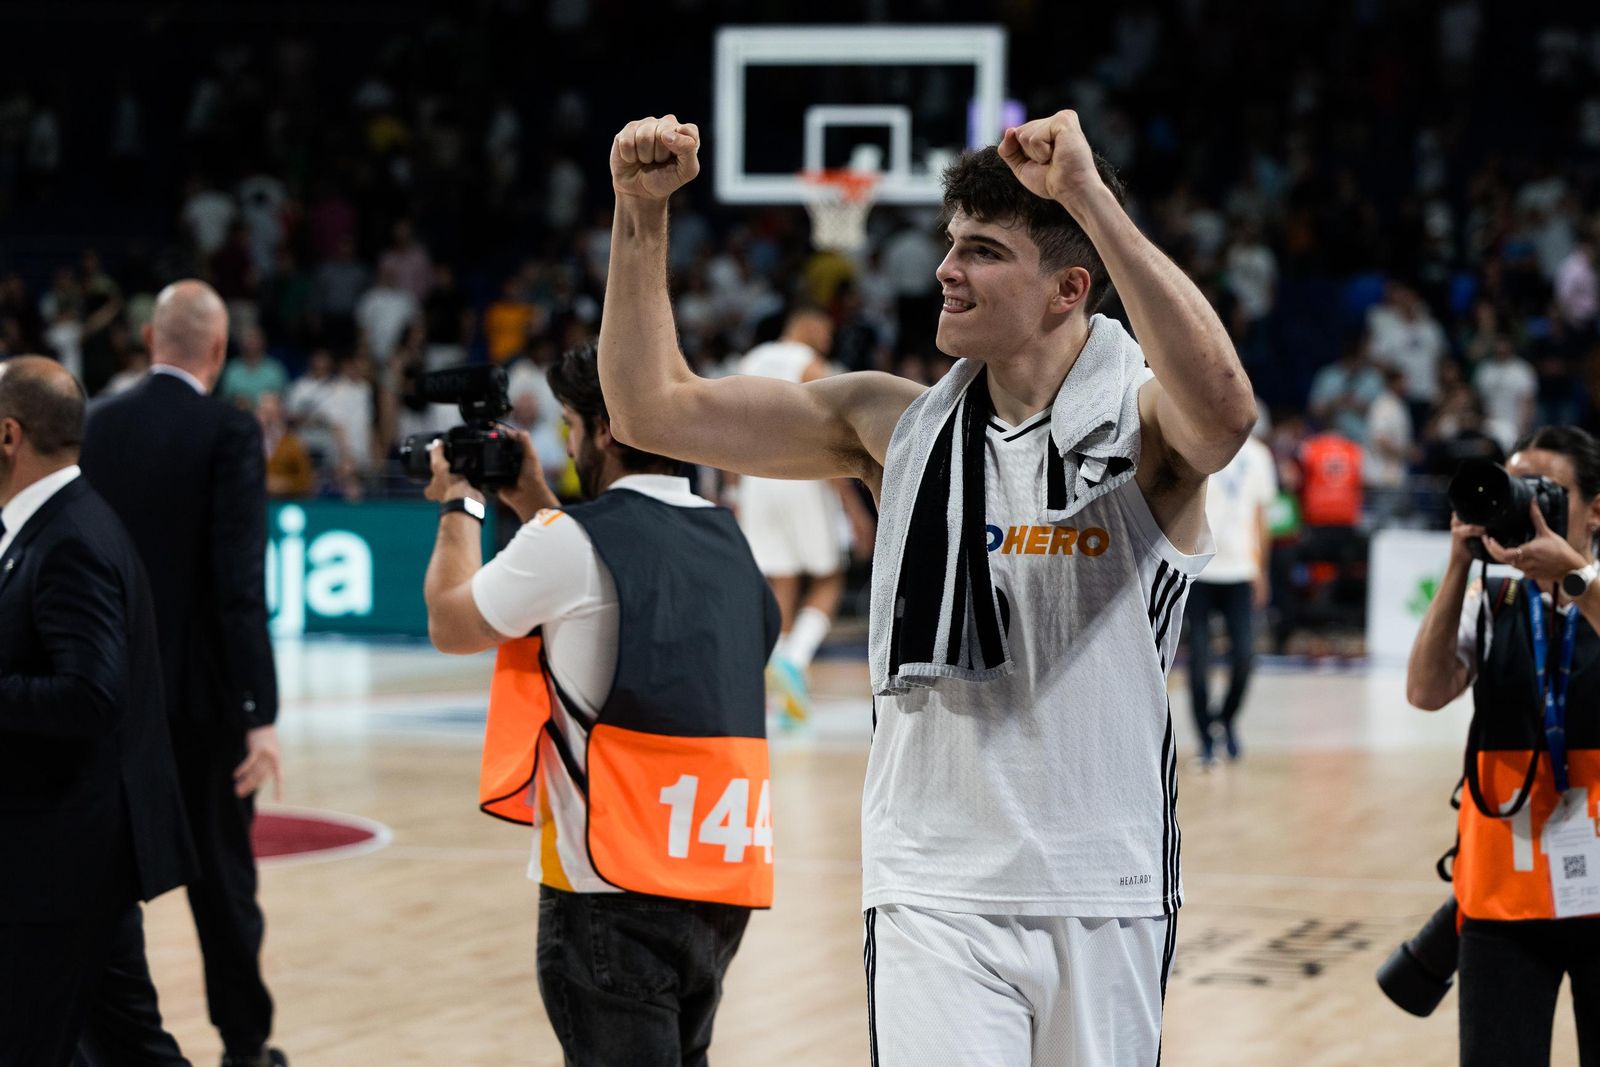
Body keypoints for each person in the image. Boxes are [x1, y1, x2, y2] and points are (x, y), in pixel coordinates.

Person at [597, 111, 1255, 1065]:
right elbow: (649, 407)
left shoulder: (1143, 431)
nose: (946, 267)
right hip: (930, 884)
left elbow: (1227, 413)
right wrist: (639, 214)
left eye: (983, 251)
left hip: (1104, 886)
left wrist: (1088, 200)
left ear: (1069, 289)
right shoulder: (887, 423)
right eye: (951, 243)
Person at [422, 341, 779, 1067]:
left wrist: (461, 498)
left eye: (570, 424)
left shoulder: (570, 542)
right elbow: (608, 588)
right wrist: (532, 503)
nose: (567, 441)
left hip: (609, 884)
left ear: (606, 430)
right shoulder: (728, 540)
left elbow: (452, 622)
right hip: (718, 879)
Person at [80, 281, 288, 1067]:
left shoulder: (95, 425)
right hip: (203, 703)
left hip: (106, 693)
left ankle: (101, 1042)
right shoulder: (229, 433)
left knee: (99, 880)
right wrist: (257, 709)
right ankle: (244, 1046)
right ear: (220, 349)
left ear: (146, 339)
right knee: (223, 885)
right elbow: (239, 582)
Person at [0, 356, 194, 1065]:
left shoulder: (71, 538)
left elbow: (92, 694)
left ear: (8, 434)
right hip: (75, 852)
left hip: (62, 863)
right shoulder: (53, 526)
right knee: (126, 1046)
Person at [1406, 425, 1600, 1066]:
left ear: (1596, 509)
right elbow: (1426, 691)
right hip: (1503, 889)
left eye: (1545, 491)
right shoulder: (1491, 594)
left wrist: (1574, 577)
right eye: (1514, 488)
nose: (1525, 507)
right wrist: (1461, 560)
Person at [728, 305, 875, 724]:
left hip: (755, 481)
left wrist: (734, 488)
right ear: (809, 326)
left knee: (783, 577)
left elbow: (726, 428)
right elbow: (829, 440)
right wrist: (853, 509)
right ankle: (794, 659)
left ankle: (779, 670)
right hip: (802, 479)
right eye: (827, 330)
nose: (829, 339)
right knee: (829, 576)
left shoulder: (750, 361)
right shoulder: (810, 365)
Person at [1184, 412, 1276, 766]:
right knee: (1199, 660)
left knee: (1244, 656)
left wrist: (1261, 569)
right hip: (1200, 568)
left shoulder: (1259, 457)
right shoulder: (1197, 445)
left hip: (1240, 570)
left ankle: (1226, 720)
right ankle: (1206, 739)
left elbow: (1259, 517)